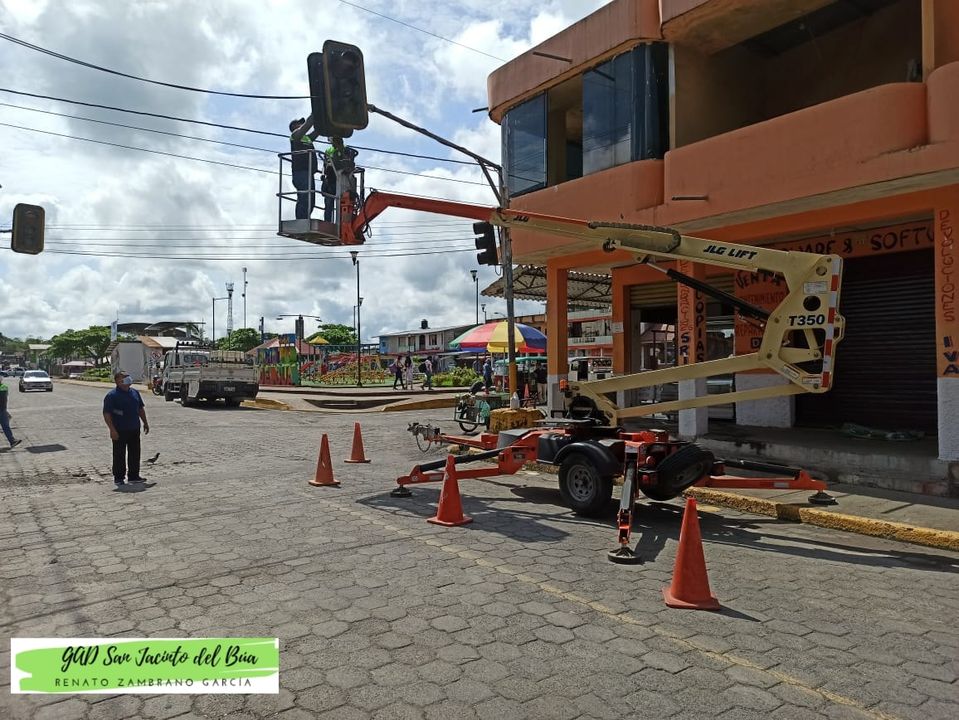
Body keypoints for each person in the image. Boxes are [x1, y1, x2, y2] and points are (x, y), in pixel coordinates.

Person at [103, 370, 150, 486]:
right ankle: (119, 477)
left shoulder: (134, 393)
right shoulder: (112, 396)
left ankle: (134, 476)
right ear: (117, 381)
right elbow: (107, 414)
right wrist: (112, 430)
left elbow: (140, 408)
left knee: (135, 453)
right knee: (119, 454)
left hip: (134, 428)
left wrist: (145, 422)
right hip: (119, 430)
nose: (128, 379)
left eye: (128, 377)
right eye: (124, 378)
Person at [289, 116, 322, 220]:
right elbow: (306, 126)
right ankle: (301, 220)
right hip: (300, 172)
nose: (301, 125)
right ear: (294, 127)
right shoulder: (295, 135)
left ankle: (305, 219)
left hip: (309, 172)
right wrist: (315, 115)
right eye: (299, 123)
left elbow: (318, 131)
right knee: (304, 198)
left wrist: (323, 121)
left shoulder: (307, 138)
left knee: (311, 199)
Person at [0, 377, 22, 449]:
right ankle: (12, 441)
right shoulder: (4, 387)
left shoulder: (3, 387)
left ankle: (12, 441)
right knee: (6, 426)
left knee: (5, 426)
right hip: (2, 410)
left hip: (2, 410)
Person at [320, 148, 337, 223]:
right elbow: (324, 166)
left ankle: (328, 221)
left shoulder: (340, 149)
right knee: (329, 204)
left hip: (335, 181)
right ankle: (328, 222)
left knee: (330, 204)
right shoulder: (330, 151)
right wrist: (323, 175)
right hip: (331, 181)